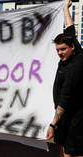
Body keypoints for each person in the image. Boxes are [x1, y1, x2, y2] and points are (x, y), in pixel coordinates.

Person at [46, 0, 83, 157]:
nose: (60, 53)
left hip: (76, 116)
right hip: (65, 115)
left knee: (71, 151)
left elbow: (65, 98)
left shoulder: (75, 67)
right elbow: (70, 28)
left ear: (72, 47)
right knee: (62, 146)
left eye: (63, 49)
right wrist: (65, 9)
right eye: (57, 50)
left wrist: (52, 124)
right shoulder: (76, 49)